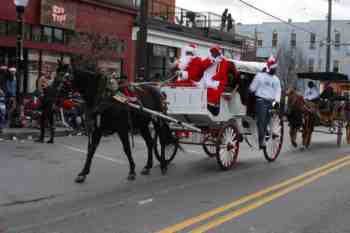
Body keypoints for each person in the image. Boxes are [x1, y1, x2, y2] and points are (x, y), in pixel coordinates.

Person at [249, 56, 281, 149]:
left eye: (275, 68)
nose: (275, 70)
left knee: (266, 121)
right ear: (270, 68)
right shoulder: (260, 76)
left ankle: (263, 134)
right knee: (261, 121)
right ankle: (261, 140)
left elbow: (277, 95)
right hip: (261, 101)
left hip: (271, 102)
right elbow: (252, 88)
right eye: (274, 68)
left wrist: (275, 107)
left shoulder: (276, 80)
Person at [200, 45, 231, 115]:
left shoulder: (223, 61)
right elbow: (202, 66)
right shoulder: (209, 59)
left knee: (214, 91)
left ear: (218, 53)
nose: (213, 54)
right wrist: (212, 61)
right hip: (206, 82)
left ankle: (214, 108)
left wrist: (213, 79)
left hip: (217, 82)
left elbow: (222, 73)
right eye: (212, 52)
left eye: (215, 52)